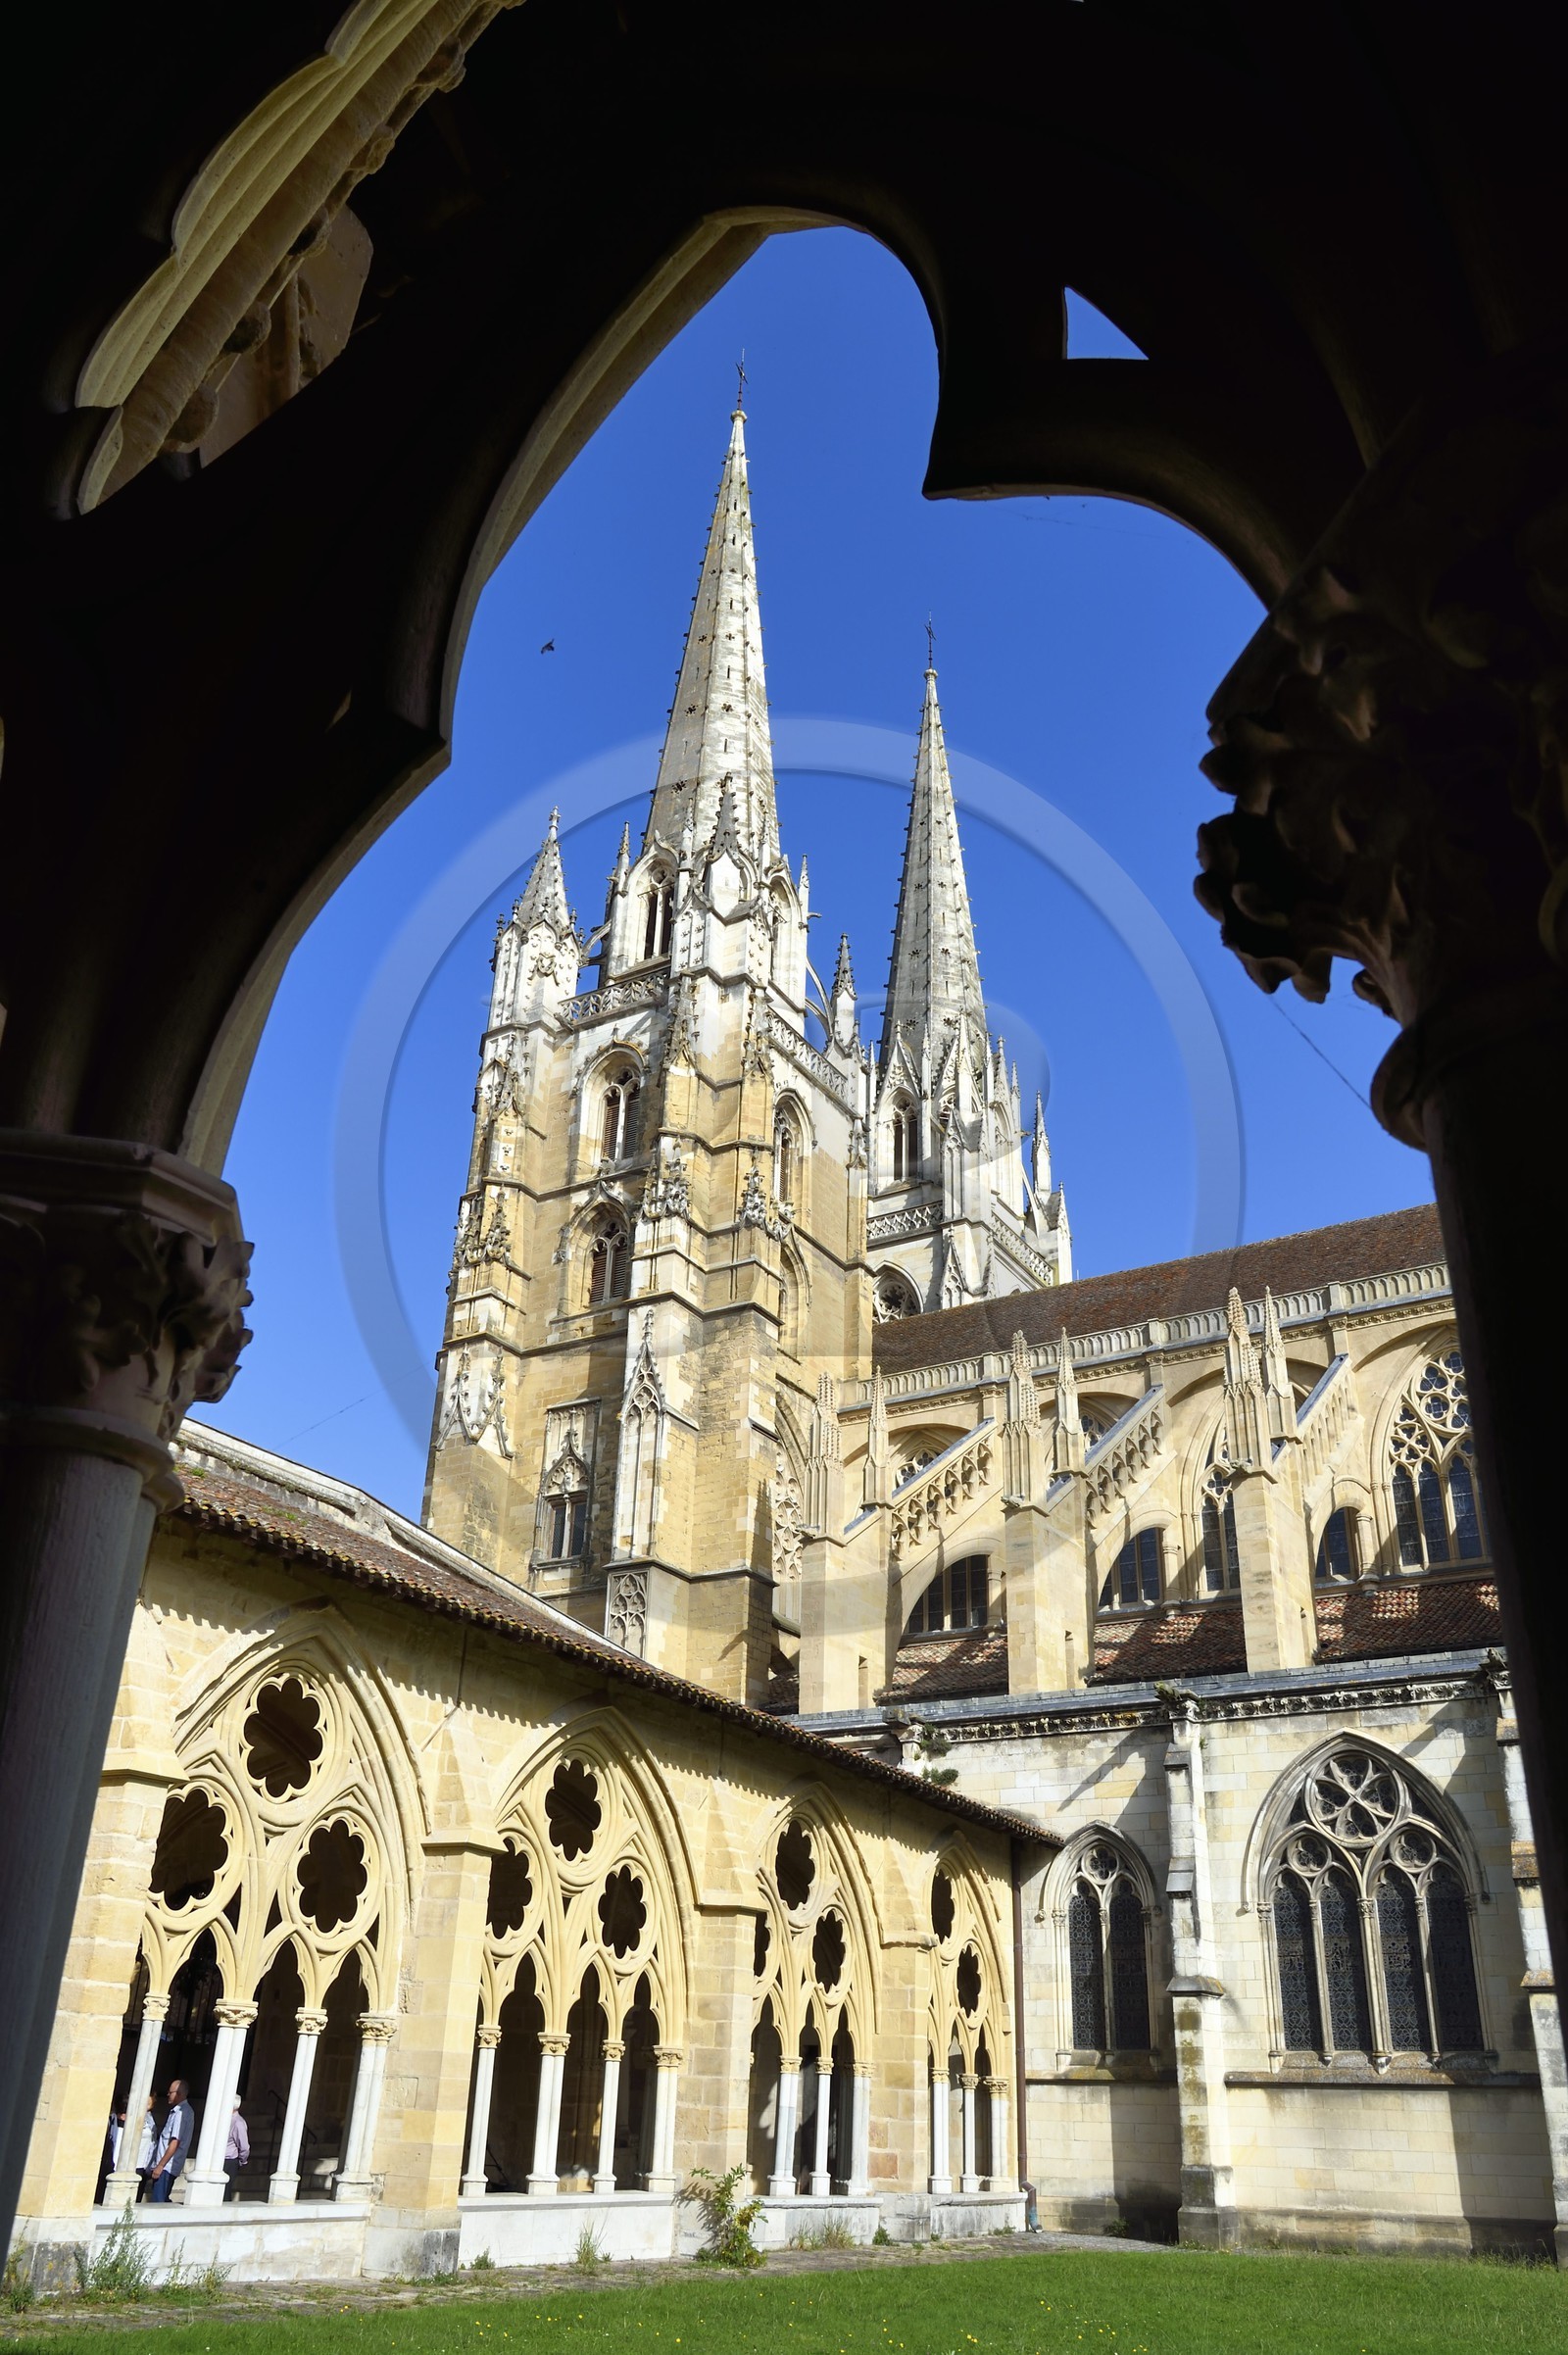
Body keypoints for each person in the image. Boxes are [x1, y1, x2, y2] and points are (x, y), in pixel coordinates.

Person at [146, 2078, 195, 2202]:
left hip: (167, 2167)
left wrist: (160, 2166)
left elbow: (175, 2142)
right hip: (166, 2166)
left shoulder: (181, 2113)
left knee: (158, 2202)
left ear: (178, 2094)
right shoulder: (178, 2112)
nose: (168, 2094)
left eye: (170, 2092)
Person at [223, 2100, 249, 2199]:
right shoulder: (226, 2119)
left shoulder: (238, 2122)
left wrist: (242, 2160)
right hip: (222, 2159)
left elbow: (244, 2146)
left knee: (225, 2191)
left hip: (230, 2160)